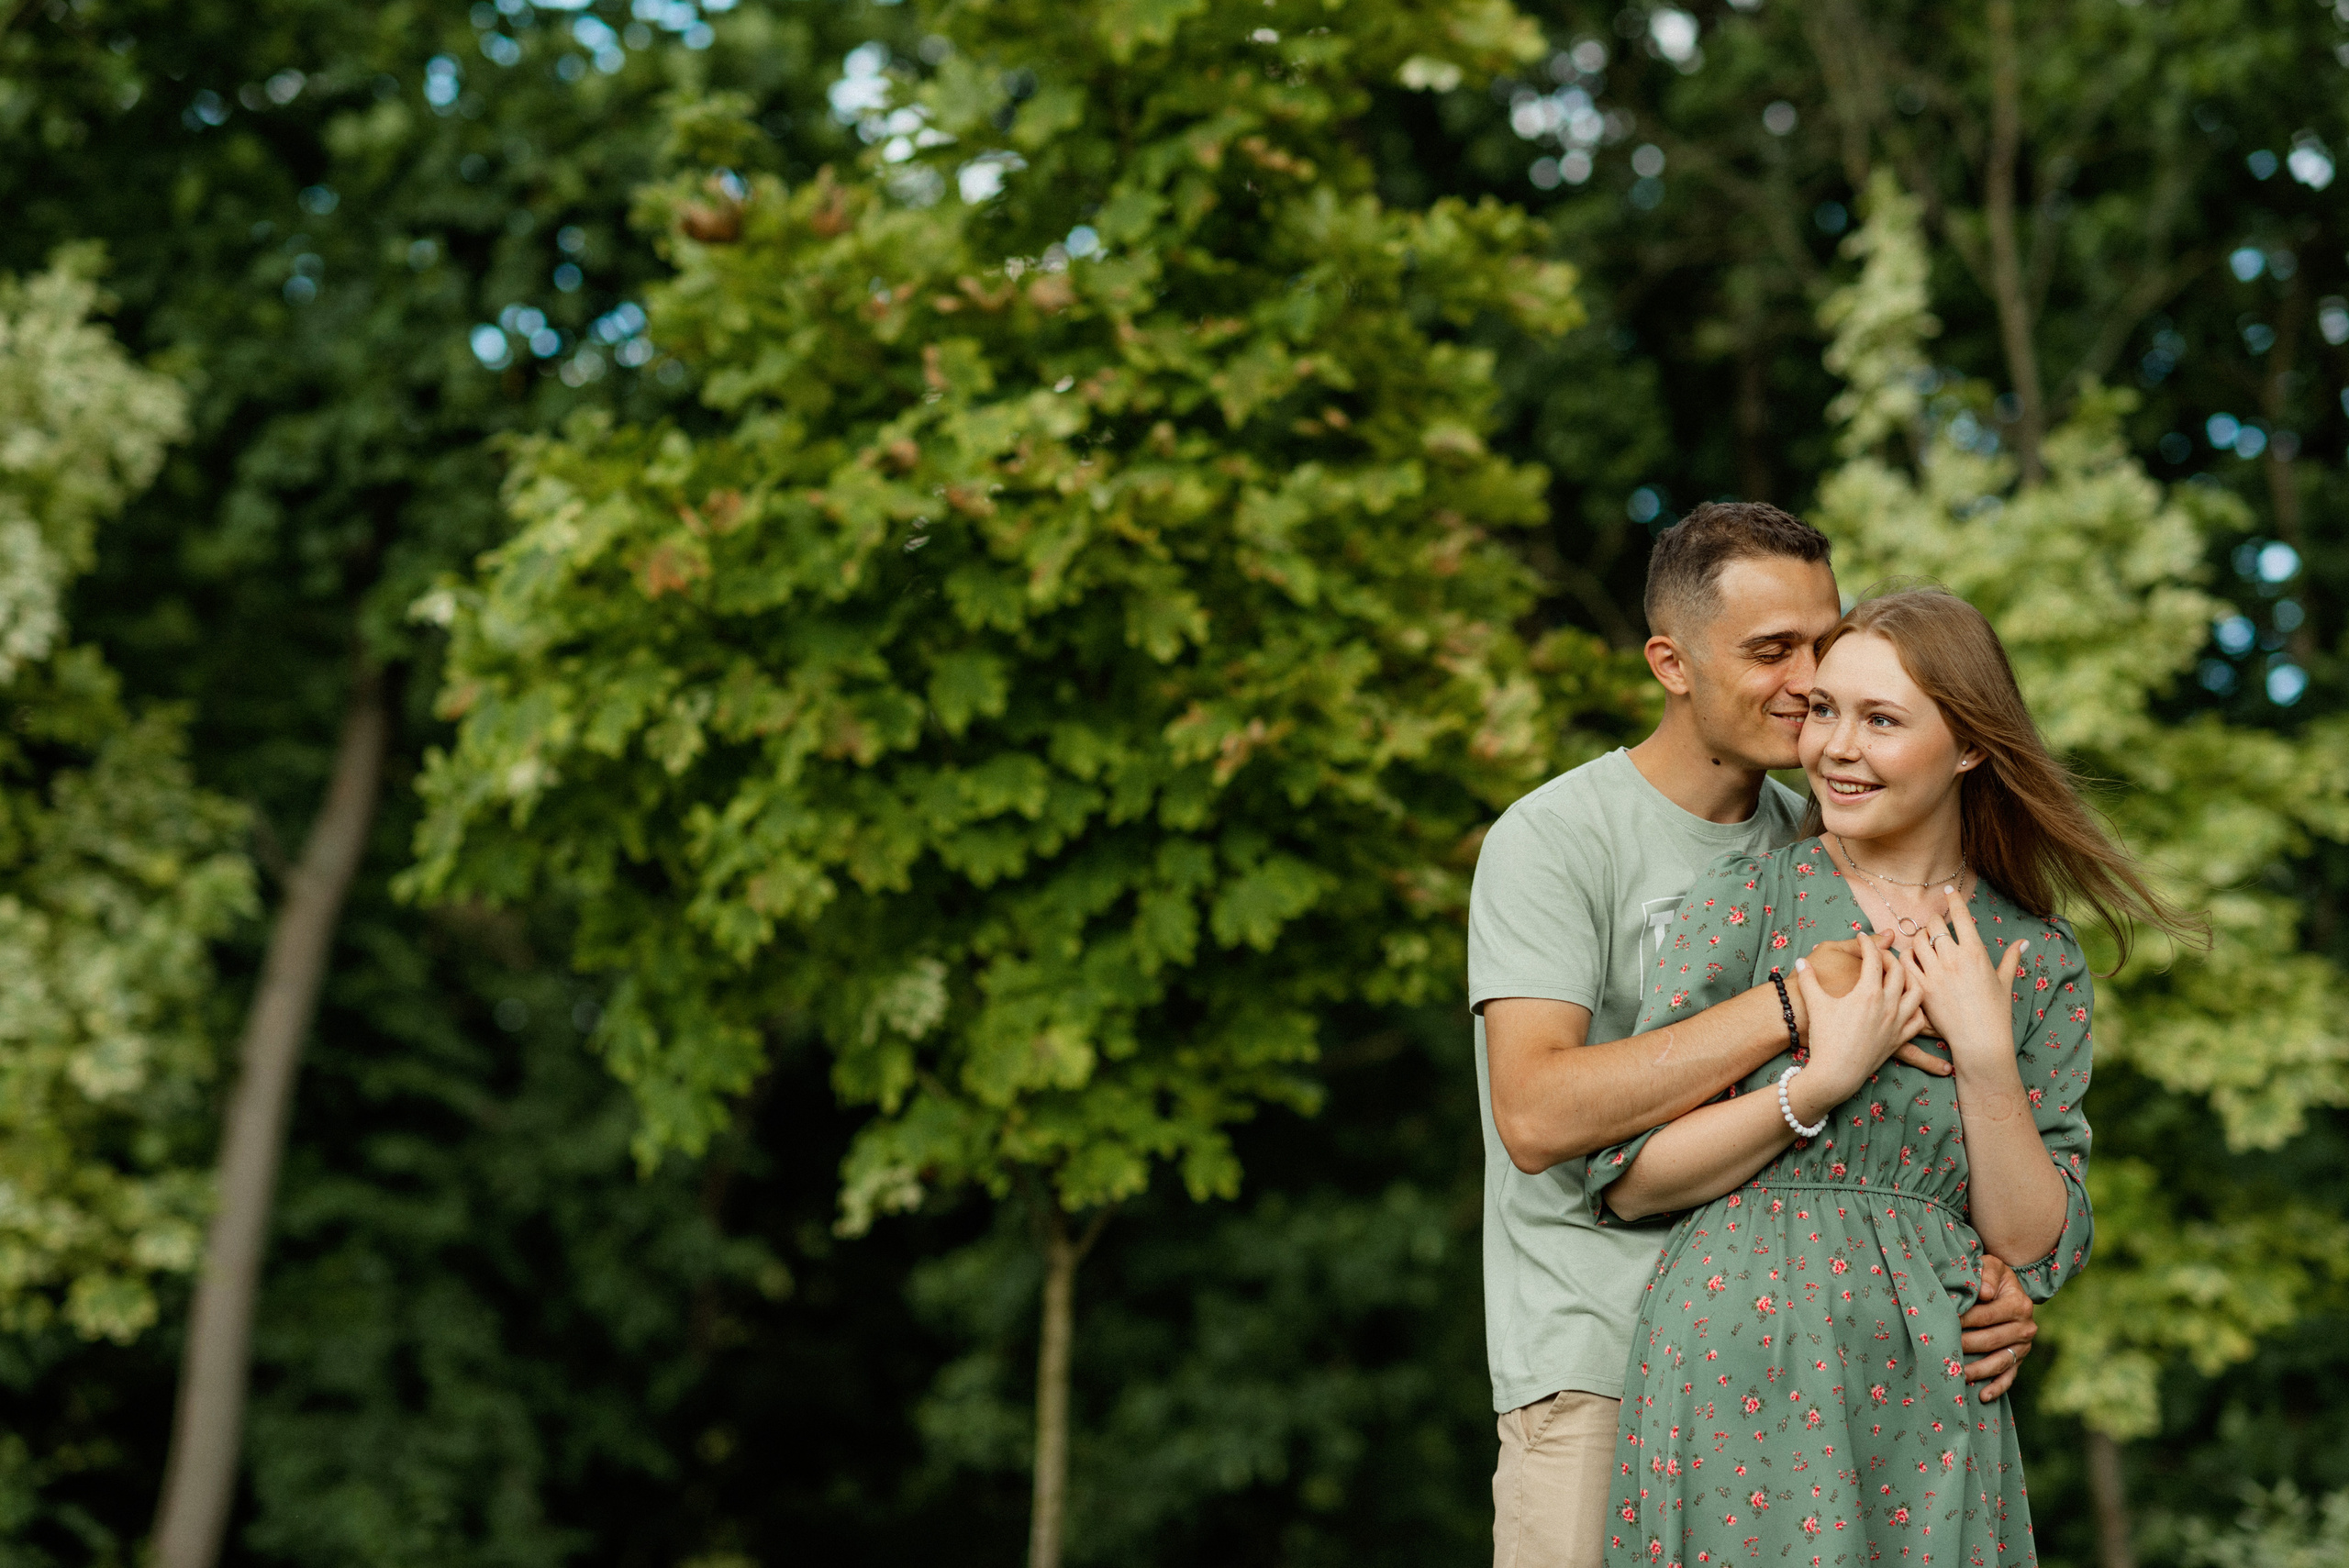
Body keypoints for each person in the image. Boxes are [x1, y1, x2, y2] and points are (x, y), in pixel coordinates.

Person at [1471, 506, 2041, 1568]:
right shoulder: (1554, 838)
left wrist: (1992, 1280)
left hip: (1818, 1377)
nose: (1804, 679)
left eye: (1821, 643)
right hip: (1601, 1363)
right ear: (1670, 662)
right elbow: (1536, 1113)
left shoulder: (1831, 835)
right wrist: (1792, 1001)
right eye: (1769, 649)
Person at [1587, 586, 2201, 1564]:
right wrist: (1817, 1083)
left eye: (1880, 719)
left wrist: (1985, 1054)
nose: (1836, 746)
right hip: (1734, 1363)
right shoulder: (1747, 900)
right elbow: (1630, 1177)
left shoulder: (2034, 956)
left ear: (1967, 745)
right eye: (1823, 709)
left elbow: (2029, 1242)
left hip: (1930, 1380)